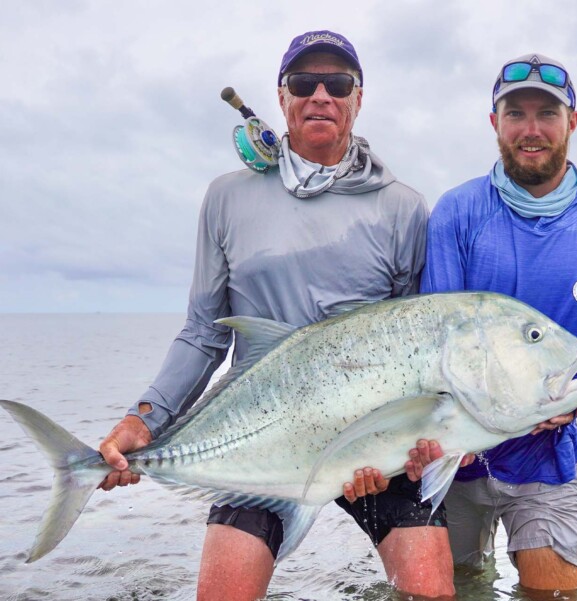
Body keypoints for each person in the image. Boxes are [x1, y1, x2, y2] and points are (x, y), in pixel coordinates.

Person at [96, 31, 455, 601]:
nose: (320, 95)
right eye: (302, 83)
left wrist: (412, 444)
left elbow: (417, 346)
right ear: (281, 97)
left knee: (430, 590)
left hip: (368, 444)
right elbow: (202, 332)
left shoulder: (402, 207)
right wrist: (144, 420)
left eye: (337, 84)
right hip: (261, 436)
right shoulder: (227, 199)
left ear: (358, 99)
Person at [417, 53, 577, 595]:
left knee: (554, 593)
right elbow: (437, 340)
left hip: (548, 459)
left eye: (546, 114)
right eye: (515, 114)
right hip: (456, 458)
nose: (531, 130)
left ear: (572, 121)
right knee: (444, 589)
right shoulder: (458, 211)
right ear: (493, 123)